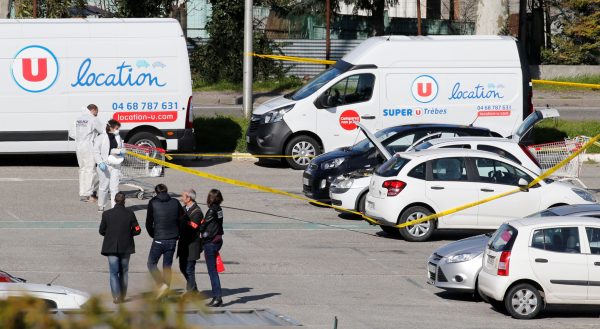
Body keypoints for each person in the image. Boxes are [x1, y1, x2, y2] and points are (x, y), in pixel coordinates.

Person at [99, 192, 141, 304]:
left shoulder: (107, 214)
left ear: (114, 200)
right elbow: (137, 229)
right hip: (126, 247)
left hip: (111, 247)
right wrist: (129, 234)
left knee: (113, 272)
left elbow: (101, 230)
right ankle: (122, 296)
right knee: (124, 272)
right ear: (124, 201)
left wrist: (109, 235)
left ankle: (116, 297)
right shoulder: (130, 213)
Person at [146, 184, 184, 298]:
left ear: (156, 192)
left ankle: (161, 284)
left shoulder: (153, 203)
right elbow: (182, 219)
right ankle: (165, 294)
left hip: (159, 239)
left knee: (151, 263)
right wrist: (178, 233)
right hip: (172, 239)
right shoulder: (175, 202)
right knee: (167, 267)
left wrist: (154, 235)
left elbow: (148, 223)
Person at [198, 189, 225, 307]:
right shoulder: (219, 209)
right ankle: (217, 296)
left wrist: (196, 227)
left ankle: (217, 297)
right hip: (218, 240)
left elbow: (203, 225)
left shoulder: (211, 211)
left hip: (211, 242)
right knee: (213, 270)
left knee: (212, 271)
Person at [177, 189, 204, 295]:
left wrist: (184, 220)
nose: (181, 198)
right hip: (183, 244)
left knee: (189, 269)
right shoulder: (183, 209)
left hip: (192, 245)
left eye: (183, 196)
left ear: (189, 198)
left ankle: (191, 292)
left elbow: (194, 226)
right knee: (182, 267)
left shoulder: (197, 212)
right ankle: (194, 289)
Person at [94, 119, 124, 212]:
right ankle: (101, 205)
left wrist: (121, 153)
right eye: (116, 128)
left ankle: (115, 207)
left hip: (115, 165)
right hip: (104, 165)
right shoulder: (101, 137)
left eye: (118, 128)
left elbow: (122, 148)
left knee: (114, 187)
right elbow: (96, 151)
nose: (117, 130)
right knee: (104, 186)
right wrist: (100, 162)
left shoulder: (118, 137)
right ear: (110, 127)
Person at [74, 104, 102, 203]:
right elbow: (102, 131)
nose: (97, 114)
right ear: (93, 110)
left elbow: (72, 134)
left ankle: (83, 193)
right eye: (97, 112)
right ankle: (90, 195)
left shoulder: (78, 119)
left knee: (82, 169)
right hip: (89, 146)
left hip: (79, 146)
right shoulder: (92, 119)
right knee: (90, 170)